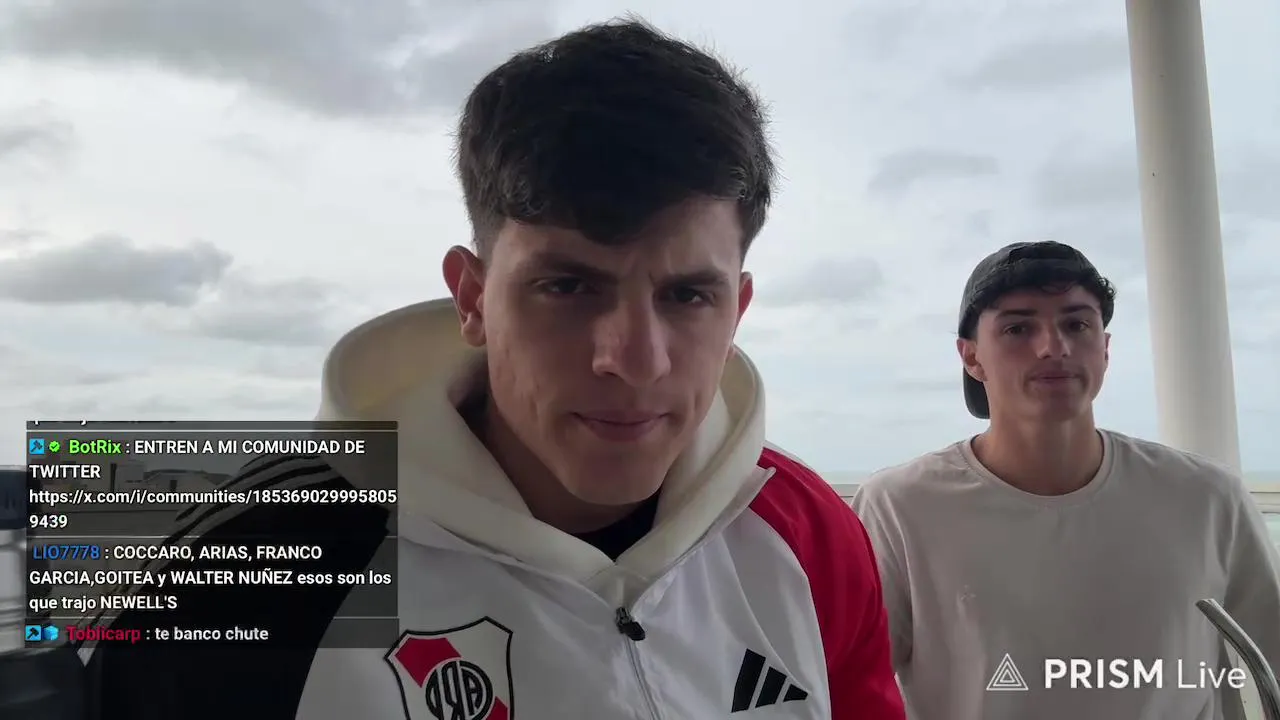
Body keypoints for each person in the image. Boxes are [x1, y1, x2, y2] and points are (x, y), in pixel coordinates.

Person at [82, 19, 904, 719]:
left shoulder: (803, 532)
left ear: (738, 311)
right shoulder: (259, 566)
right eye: (568, 286)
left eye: (688, 295)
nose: (632, 359)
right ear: (473, 298)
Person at [850, 240, 1280, 720]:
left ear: (1105, 348)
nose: (1053, 347)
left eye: (1077, 325)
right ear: (971, 357)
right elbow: (850, 683)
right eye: (1018, 328)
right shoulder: (901, 506)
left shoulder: (1206, 497)